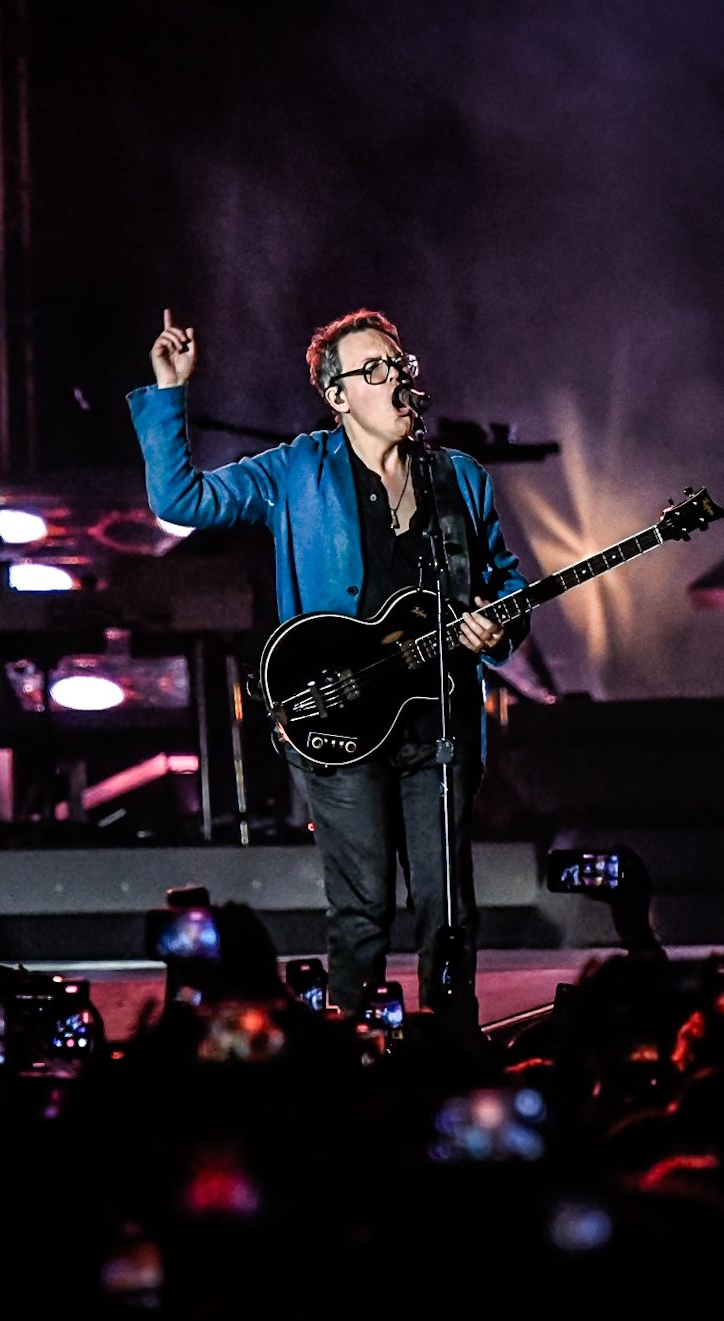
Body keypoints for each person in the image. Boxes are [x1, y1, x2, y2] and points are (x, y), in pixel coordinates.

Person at [128, 307, 527, 1022]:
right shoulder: (296, 471)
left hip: (438, 722)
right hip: (341, 722)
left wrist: (495, 625)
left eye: (399, 364)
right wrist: (170, 393)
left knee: (448, 910)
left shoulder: (458, 478)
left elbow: (505, 582)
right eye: (373, 369)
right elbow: (180, 498)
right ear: (337, 396)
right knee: (362, 907)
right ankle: (349, 1054)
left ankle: (450, 1047)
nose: (395, 378)